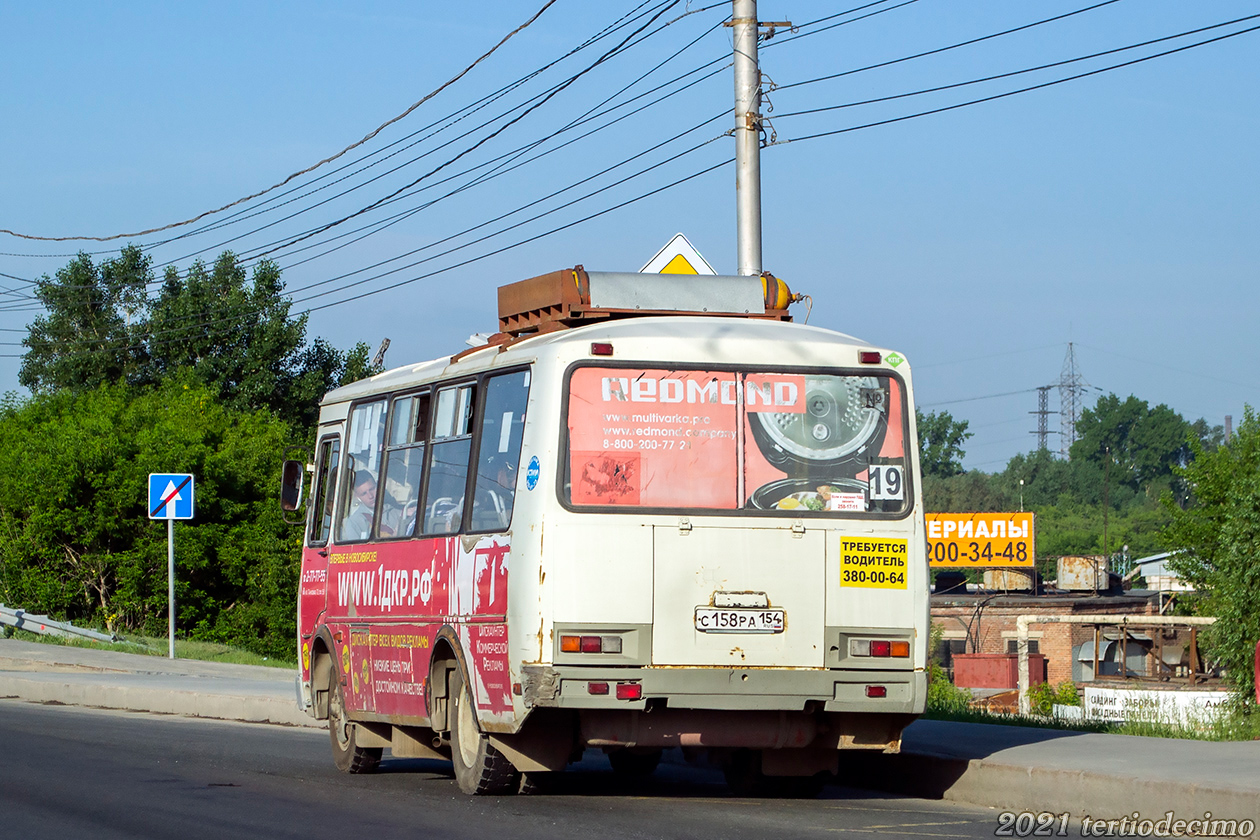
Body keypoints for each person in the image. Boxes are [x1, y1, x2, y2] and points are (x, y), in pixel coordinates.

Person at [342, 470, 378, 540]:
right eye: (364, 493)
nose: (370, 496)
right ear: (357, 497)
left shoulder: (395, 512)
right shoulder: (354, 522)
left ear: (378, 486)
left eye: (372, 489)